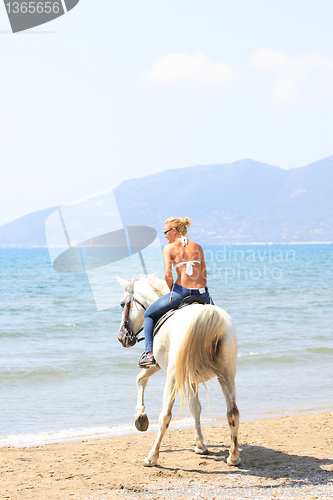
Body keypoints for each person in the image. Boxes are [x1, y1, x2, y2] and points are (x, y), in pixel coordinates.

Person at [138, 216, 214, 367]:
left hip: (182, 293)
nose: (164, 236)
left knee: (148, 315)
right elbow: (204, 275)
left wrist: (173, 291)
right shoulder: (198, 247)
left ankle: (150, 354)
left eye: (166, 232)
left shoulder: (169, 248)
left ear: (174, 231)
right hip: (203, 293)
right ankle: (216, 349)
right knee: (216, 318)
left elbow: (167, 274)